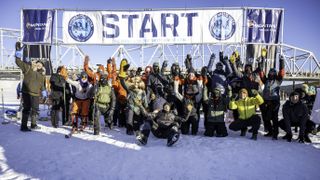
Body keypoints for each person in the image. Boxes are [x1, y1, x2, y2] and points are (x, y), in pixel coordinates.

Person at [15, 42, 47, 131]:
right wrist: (18, 54)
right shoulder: (28, 68)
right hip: (27, 92)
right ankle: (24, 126)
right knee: (26, 109)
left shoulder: (42, 75)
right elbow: (18, 62)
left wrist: (44, 92)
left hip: (36, 94)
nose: (39, 64)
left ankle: (33, 124)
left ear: (42, 67)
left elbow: (42, 85)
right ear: (35, 64)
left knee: (35, 110)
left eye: (41, 64)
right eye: (38, 63)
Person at [259, 55, 285, 140]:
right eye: (270, 72)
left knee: (274, 117)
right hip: (266, 101)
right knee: (266, 117)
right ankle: (270, 131)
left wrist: (281, 61)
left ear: (275, 74)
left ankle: (275, 133)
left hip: (275, 102)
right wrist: (261, 61)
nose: (272, 74)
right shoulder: (265, 80)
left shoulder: (278, 80)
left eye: (273, 72)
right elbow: (261, 72)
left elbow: (281, 72)